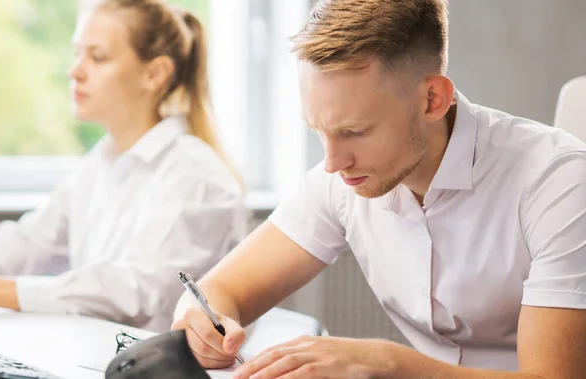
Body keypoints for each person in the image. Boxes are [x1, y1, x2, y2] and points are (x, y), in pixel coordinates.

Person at [171, 0, 586, 377]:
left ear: (432, 100)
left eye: (354, 131)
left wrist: (386, 364)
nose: (333, 162)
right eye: (319, 131)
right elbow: (221, 290)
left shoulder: (558, 183)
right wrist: (199, 318)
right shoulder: (341, 180)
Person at [0, 0, 245, 333]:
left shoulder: (198, 176)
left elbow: (131, 293)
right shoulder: (100, 164)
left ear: (154, 74)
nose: (74, 71)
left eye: (97, 57)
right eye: (77, 53)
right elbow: (27, 243)